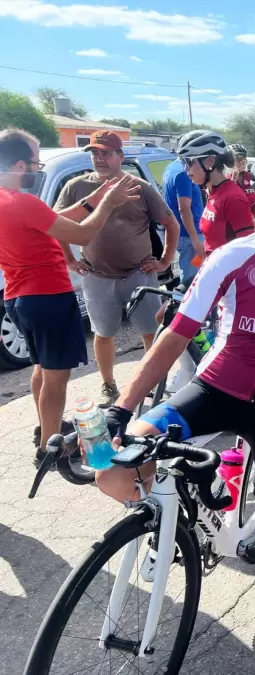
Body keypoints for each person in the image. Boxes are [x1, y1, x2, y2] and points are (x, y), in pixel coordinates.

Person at [96, 145, 255, 667]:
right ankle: (174, 513)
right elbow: (176, 335)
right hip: (214, 390)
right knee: (113, 469)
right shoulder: (233, 257)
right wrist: (123, 406)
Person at [0, 129, 140, 461]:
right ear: (20, 165)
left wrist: (95, 197)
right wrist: (108, 202)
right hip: (47, 297)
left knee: (41, 369)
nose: (37, 168)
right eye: (35, 162)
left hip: (20, 297)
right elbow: (83, 233)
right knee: (56, 377)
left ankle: (46, 427)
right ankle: (49, 449)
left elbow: (56, 220)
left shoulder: (8, 202)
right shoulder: (21, 202)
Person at [54, 130, 180, 407]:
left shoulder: (139, 187)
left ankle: (152, 384)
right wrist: (69, 259)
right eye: (95, 153)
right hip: (97, 276)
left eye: (106, 153)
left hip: (139, 274)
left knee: (150, 332)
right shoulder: (76, 187)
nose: (100, 159)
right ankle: (108, 385)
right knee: (103, 334)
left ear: (120, 157)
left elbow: (171, 223)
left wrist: (164, 261)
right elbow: (56, 224)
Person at [176, 130, 255, 254]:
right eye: (184, 162)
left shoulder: (232, 198)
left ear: (210, 161)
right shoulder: (213, 192)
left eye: (189, 162)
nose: (186, 168)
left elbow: (248, 250)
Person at [162, 157, 204, 286]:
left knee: (190, 273)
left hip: (183, 233)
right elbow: (184, 208)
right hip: (189, 235)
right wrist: (195, 239)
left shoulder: (171, 167)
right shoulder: (183, 173)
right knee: (192, 281)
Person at [228, 143, 255, 219]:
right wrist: (233, 182)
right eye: (237, 159)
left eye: (243, 159)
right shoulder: (226, 181)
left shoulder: (254, 177)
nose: (241, 162)